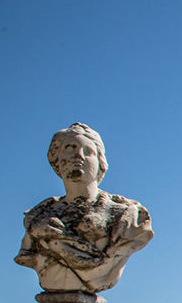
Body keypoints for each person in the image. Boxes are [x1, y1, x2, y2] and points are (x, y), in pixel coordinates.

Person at [15, 123, 154, 293]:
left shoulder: (126, 216)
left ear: (99, 163)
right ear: (56, 160)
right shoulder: (40, 216)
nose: (78, 156)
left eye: (88, 151)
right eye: (70, 149)